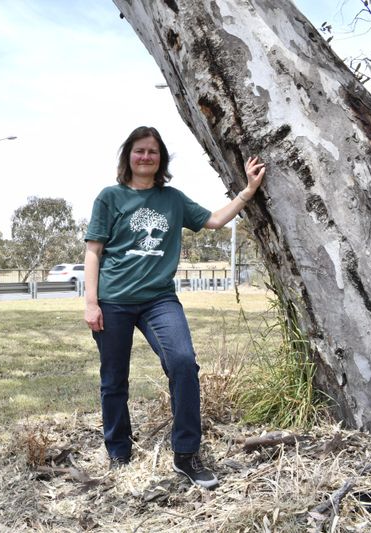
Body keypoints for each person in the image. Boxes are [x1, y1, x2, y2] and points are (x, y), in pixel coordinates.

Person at [83, 126, 265, 489]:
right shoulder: (110, 197)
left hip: (159, 300)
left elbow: (213, 220)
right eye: (139, 151)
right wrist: (91, 303)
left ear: (161, 158)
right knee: (114, 379)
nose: (146, 157)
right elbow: (93, 251)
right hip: (113, 300)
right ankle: (118, 451)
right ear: (128, 157)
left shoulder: (172, 199)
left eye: (152, 151)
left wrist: (246, 192)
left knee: (183, 363)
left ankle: (186, 454)